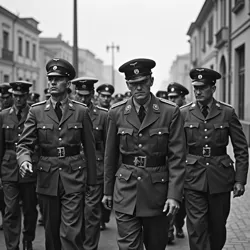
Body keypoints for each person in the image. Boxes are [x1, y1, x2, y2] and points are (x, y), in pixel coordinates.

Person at [102, 58, 186, 250]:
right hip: (126, 190)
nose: (138, 88)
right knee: (128, 246)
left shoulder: (169, 112)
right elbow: (110, 156)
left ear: (151, 81)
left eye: (142, 83)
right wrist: (107, 191)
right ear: (127, 85)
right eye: (134, 84)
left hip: (157, 194)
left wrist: (174, 195)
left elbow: (177, 158)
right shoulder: (116, 112)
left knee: (156, 245)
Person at [16, 58, 97, 250]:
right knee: (51, 234)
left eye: (58, 79)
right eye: (50, 78)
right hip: (47, 178)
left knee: (71, 232)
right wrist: (24, 160)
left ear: (68, 83)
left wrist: (92, 183)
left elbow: (90, 149)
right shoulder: (36, 111)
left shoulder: (80, 111)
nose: (52, 82)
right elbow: (24, 144)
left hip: (74, 177)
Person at [181, 67, 249, 250]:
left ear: (213, 88)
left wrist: (240, 180)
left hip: (220, 178)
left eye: (202, 87)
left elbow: (241, 148)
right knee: (196, 227)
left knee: (217, 227)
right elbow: (177, 150)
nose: (197, 91)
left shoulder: (227, 112)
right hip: (193, 178)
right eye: (195, 87)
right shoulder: (183, 113)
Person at [0, 81, 38, 250]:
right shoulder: (3, 115)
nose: (18, 99)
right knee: (10, 210)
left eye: (22, 96)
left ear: (27, 96)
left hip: (29, 168)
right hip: (8, 168)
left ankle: (28, 239)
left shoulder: (35, 113)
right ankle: (12, 246)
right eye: (15, 96)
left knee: (30, 210)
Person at [72, 76, 108, 250]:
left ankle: (90, 247)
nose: (84, 99)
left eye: (87, 95)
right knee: (75, 212)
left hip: (97, 170)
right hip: (73, 169)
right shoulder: (70, 112)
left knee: (92, 212)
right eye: (80, 95)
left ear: (93, 94)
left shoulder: (103, 115)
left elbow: (109, 148)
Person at [166, 82, 189, 243]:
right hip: (170, 165)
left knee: (185, 203)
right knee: (171, 196)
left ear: (182, 98)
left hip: (190, 166)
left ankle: (179, 225)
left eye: (175, 97)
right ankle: (169, 230)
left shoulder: (188, 113)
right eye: (169, 97)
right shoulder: (165, 114)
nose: (172, 100)